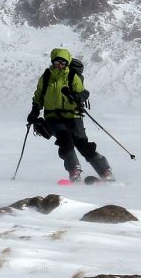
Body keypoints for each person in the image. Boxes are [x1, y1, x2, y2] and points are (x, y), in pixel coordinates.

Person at [26, 48, 113, 182]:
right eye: (57, 62)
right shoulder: (46, 76)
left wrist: (75, 96)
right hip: (53, 117)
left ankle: (105, 171)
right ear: (52, 62)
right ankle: (74, 170)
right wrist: (34, 111)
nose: (60, 65)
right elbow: (39, 95)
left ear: (67, 63)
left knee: (82, 144)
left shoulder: (72, 76)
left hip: (73, 116)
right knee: (64, 141)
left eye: (63, 62)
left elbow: (83, 94)